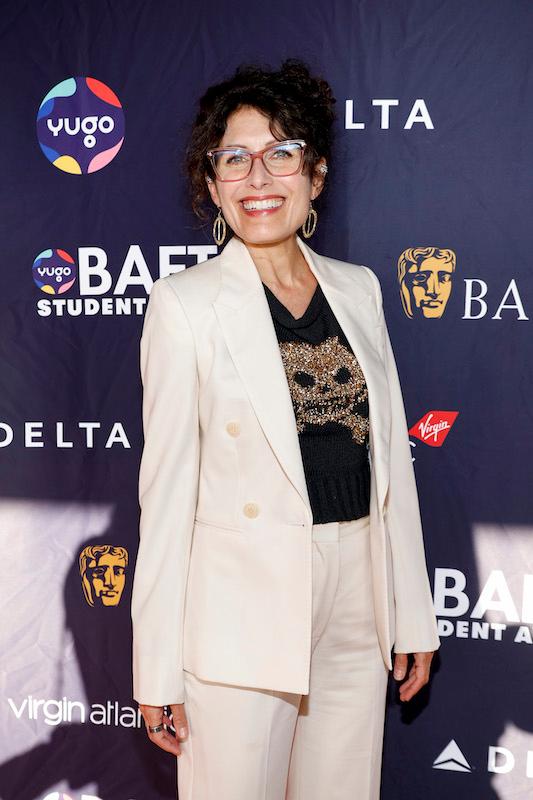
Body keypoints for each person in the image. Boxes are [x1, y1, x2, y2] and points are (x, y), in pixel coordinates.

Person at [130, 58, 440, 800]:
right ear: (212, 184)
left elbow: (389, 464)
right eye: (234, 158)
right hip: (239, 614)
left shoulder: (359, 289)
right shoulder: (184, 305)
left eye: (281, 153)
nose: (258, 177)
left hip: (356, 604)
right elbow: (165, 496)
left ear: (316, 175)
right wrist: (156, 668)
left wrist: (412, 616)